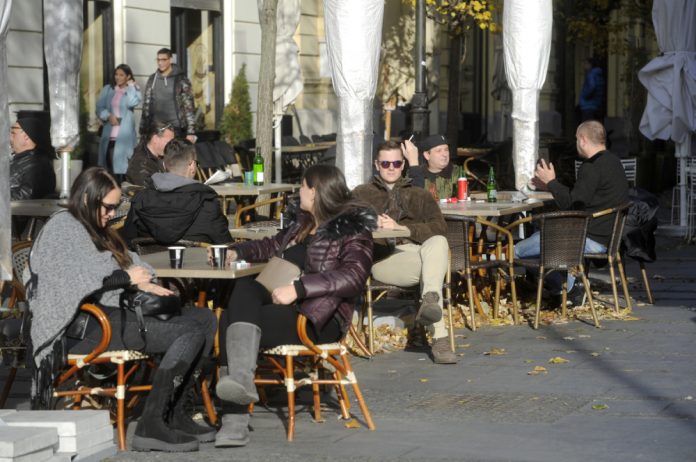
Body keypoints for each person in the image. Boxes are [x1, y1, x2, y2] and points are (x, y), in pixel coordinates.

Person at [27, 167, 218, 452]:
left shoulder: (96, 227)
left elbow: (130, 262)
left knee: (204, 319)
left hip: (110, 312)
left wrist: (144, 281)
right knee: (188, 333)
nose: (112, 213)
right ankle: (152, 424)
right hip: (82, 327)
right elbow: (71, 281)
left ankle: (176, 412)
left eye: (115, 207)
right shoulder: (62, 228)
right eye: (108, 207)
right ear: (88, 198)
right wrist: (128, 278)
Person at [213, 164, 376, 447]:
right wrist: (236, 251)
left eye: (302, 186)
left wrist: (299, 289)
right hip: (283, 301)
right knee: (243, 290)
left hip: (317, 318)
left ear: (314, 191)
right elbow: (271, 246)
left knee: (229, 320)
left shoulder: (352, 229)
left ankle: (234, 420)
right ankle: (240, 388)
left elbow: (353, 277)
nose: (298, 191)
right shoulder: (303, 223)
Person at [352, 140, 455, 365]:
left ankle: (430, 300)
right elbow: (344, 223)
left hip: (419, 252)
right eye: (386, 163)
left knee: (438, 241)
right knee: (433, 271)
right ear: (376, 165)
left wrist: (403, 229)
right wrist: (370, 223)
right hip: (385, 256)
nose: (391, 168)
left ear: (403, 164)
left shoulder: (419, 194)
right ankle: (440, 338)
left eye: (397, 163)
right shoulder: (362, 194)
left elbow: (440, 227)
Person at [517, 120, 629, 303]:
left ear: (583, 139)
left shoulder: (591, 166)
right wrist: (550, 186)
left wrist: (552, 181)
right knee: (537, 240)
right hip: (606, 238)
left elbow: (571, 204)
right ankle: (568, 285)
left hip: (586, 238)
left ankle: (569, 288)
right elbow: (581, 196)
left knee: (515, 251)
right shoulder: (613, 162)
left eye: (576, 139)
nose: (576, 143)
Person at [122, 139, 231, 245]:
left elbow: (127, 242)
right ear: (192, 165)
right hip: (196, 257)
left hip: (150, 257)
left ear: (164, 165)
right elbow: (226, 245)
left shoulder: (140, 199)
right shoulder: (207, 202)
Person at [96, 64, 143, 183]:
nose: (117, 77)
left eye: (121, 75)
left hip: (124, 137)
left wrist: (131, 87)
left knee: (124, 170)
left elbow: (132, 102)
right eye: (116, 74)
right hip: (109, 136)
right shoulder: (108, 89)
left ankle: (123, 192)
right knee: (109, 169)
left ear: (128, 76)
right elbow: (99, 108)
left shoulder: (134, 89)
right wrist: (108, 115)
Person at [140, 48, 197, 143]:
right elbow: (146, 105)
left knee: (174, 153)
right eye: (158, 60)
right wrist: (143, 130)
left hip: (176, 129)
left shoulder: (181, 79)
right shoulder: (152, 79)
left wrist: (191, 132)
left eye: (163, 59)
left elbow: (188, 106)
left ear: (170, 60)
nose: (160, 63)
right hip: (156, 129)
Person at [404, 134, 463, 200]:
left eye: (446, 150)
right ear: (427, 155)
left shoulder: (456, 172)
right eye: (439, 151)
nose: (445, 154)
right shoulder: (415, 173)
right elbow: (410, 199)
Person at [9, 116, 56, 200]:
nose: (10, 138)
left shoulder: (37, 164)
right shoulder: (22, 160)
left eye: (13, 133)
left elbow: (27, 195)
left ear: (26, 137)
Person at [126, 120, 176, 188]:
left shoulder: (159, 157)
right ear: (155, 139)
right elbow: (151, 190)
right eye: (169, 142)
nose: (171, 146)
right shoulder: (140, 163)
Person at [578, 57, 605, 122]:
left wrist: (584, 95)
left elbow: (592, 87)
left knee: (587, 125)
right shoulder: (598, 74)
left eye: (585, 63)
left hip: (588, 106)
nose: (583, 66)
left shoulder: (591, 75)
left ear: (590, 65)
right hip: (596, 105)